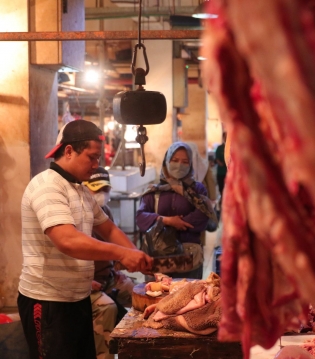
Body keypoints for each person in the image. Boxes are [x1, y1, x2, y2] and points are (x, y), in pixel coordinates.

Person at [18, 120, 153, 359]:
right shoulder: (47, 186)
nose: (96, 164)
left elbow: (108, 229)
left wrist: (136, 256)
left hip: (77, 298)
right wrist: (121, 254)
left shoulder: (80, 191)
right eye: (92, 157)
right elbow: (67, 240)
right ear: (69, 151)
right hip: (48, 301)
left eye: (98, 158)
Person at [136, 142, 214, 279]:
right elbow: (141, 217)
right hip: (158, 256)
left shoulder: (197, 190)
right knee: (157, 295)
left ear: (190, 164)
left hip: (188, 257)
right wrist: (167, 221)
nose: (179, 165)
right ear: (167, 161)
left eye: (185, 162)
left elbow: (201, 217)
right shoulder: (153, 191)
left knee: (188, 296)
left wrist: (176, 222)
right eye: (175, 160)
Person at [83, 167, 136, 359]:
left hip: (109, 277)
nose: (101, 195)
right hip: (87, 282)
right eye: (96, 190)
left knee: (141, 295)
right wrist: (84, 281)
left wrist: (116, 267)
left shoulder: (105, 212)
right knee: (107, 308)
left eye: (104, 190)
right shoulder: (77, 217)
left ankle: (139, 349)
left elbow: (112, 242)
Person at [186, 142, 218, 247]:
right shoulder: (184, 166)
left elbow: (210, 182)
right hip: (187, 203)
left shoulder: (203, 165)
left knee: (200, 224)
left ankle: (199, 246)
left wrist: (213, 200)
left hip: (201, 202)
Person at [215, 132, 227, 211]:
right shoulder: (220, 148)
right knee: (222, 189)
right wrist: (220, 162)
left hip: (228, 173)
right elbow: (217, 158)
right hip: (221, 173)